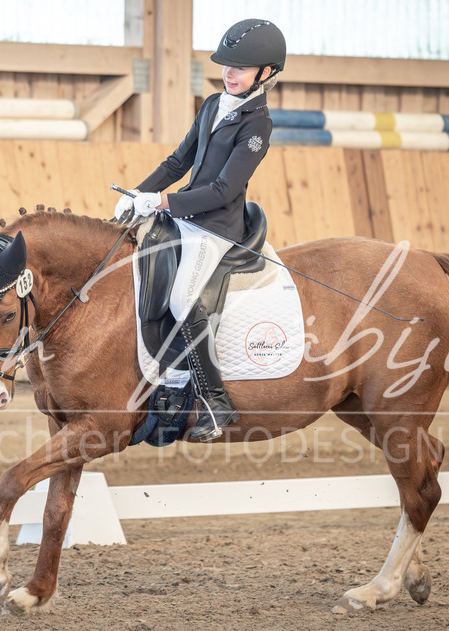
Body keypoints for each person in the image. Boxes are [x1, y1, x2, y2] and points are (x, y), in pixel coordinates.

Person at [115, 18, 286, 441]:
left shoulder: (258, 125)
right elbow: (178, 162)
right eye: (226, 65)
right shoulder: (212, 104)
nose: (229, 73)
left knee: (183, 296)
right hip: (180, 216)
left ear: (265, 74)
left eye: (240, 68)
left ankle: (215, 400)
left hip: (215, 227)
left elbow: (225, 189)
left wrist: (163, 201)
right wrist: (139, 192)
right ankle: (166, 380)